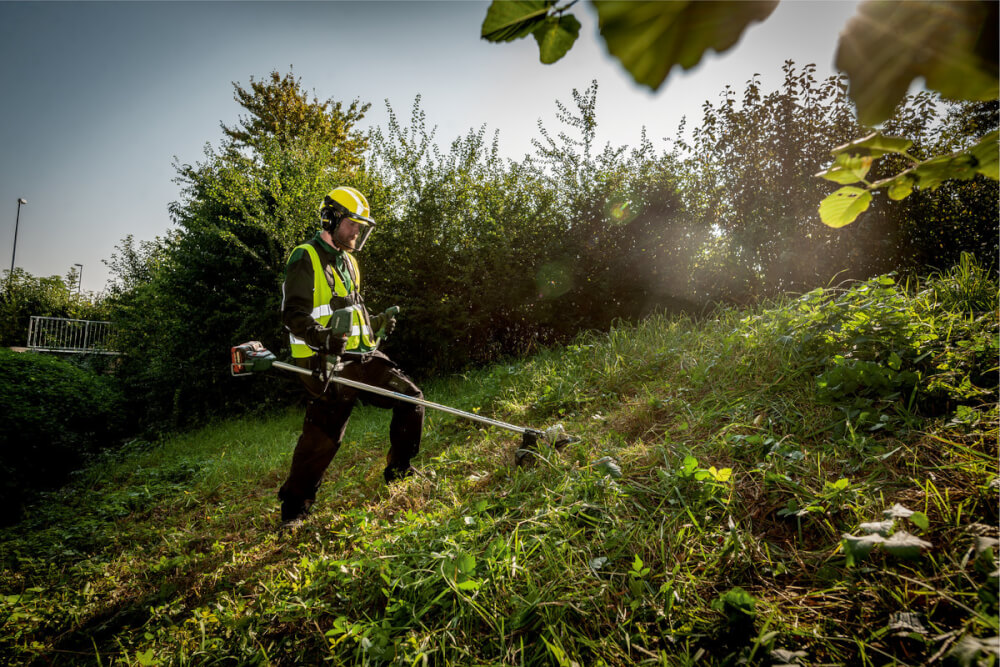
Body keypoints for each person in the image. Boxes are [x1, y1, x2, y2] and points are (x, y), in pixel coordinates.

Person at [278, 186, 424, 528]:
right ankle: (293, 509)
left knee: (410, 398)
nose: (358, 232)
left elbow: (349, 310)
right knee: (324, 435)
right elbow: (294, 315)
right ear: (332, 220)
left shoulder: (351, 262)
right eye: (353, 225)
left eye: (361, 226)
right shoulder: (305, 256)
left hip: (361, 355)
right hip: (323, 361)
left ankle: (399, 472)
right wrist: (323, 338)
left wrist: (376, 324)